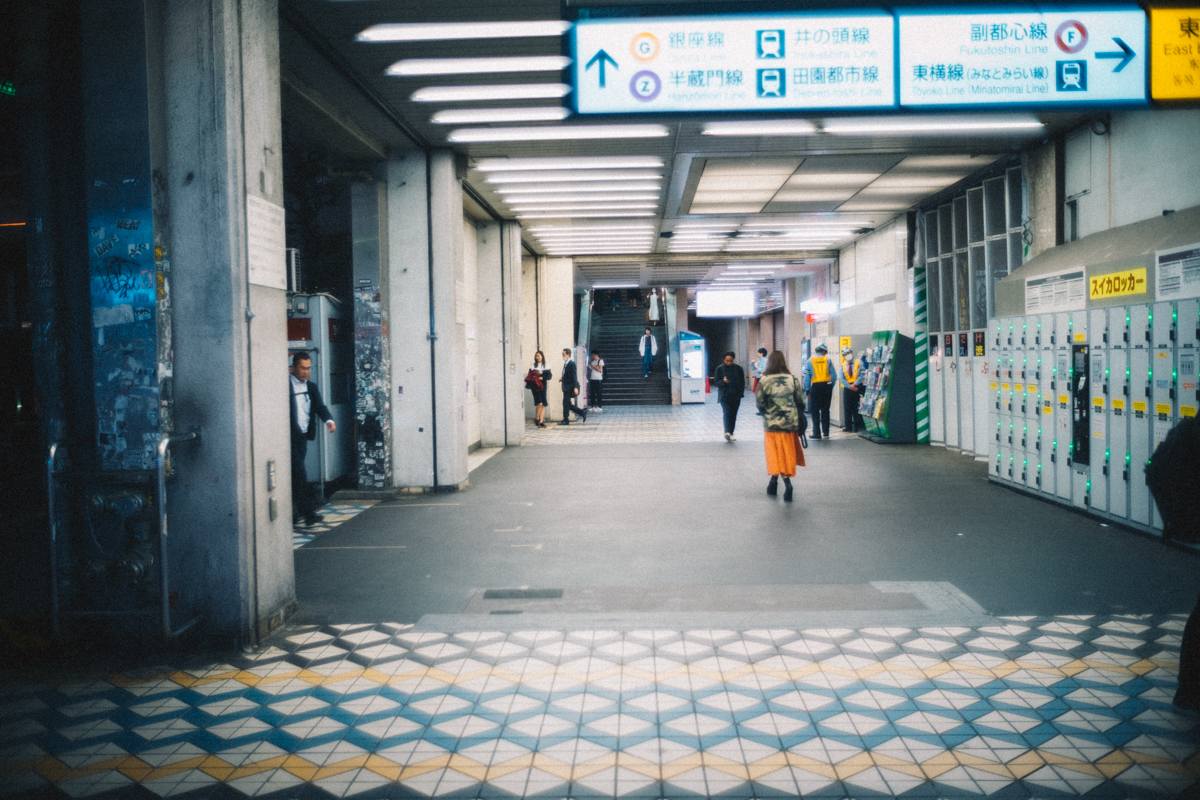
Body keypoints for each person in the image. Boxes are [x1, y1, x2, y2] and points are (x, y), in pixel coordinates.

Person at [289, 352, 335, 525]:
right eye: (302, 368)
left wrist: (329, 420)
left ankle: (293, 513)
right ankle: (308, 514)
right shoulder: (285, 386)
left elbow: (320, 407)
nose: (306, 372)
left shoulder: (311, 387)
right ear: (293, 367)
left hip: (302, 438)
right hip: (288, 438)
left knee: (295, 476)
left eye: (308, 368)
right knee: (300, 474)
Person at [755, 351, 806, 502]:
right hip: (790, 424)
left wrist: (766, 412)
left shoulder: (764, 381)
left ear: (769, 362)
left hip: (772, 425)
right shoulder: (792, 379)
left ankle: (787, 484)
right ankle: (773, 482)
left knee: (775, 455)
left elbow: (760, 403)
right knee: (786, 454)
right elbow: (800, 401)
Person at [802, 343, 836, 439]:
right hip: (827, 387)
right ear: (824, 351)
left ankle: (816, 433)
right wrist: (830, 386)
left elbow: (807, 377)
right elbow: (834, 376)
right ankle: (826, 432)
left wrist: (808, 390)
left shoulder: (810, 361)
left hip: (815, 387)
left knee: (815, 410)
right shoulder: (828, 360)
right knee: (826, 410)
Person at [713, 351, 746, 442]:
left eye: (731, 361)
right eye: (727, 361)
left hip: (735, 395)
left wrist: (740, 393)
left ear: (733, 360)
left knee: (733, 414)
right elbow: (716, 382)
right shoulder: (720, 369)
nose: (729, 362)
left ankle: (731, 433)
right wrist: (723, 382)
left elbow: (742, 383)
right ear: (724, 360)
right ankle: (727, 432)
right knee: (727, 412)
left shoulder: (739, 369)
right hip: (725, 395)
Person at [838, 346, 865, 432]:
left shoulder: (859, 362)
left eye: (848, 353)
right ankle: (848, 426)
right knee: (847, 407)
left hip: (858, 387)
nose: (847, 355)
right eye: (845, 354)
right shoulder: (842, 365)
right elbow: (841, 378)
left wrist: (855, 384)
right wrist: (849, 386)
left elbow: (863, 374)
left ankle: (857, 426)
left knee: (857, 407)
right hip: (848, 388)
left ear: (851, 353)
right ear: (843, 356)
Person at [558, 347, 587, 425]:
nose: (563, 356)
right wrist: (562, 378)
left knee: (566, 403)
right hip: (565, 386)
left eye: (564, 355)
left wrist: (575, 387)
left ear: (568, 355)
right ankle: (581, 412)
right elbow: (567, 375)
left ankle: (566, 419)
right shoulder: (566, 363)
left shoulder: (571, 364)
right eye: (562, 354)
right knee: (567, 404)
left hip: (569, 387)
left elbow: (574, 376)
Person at [525, 350, 551, 428]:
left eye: (539, 355)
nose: (537, 357)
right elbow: (529, 376)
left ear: (542, 356)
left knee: (543, 404)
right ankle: (537, 418)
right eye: (536, 356)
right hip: (535, 386)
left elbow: (549, 376)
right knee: (539, 402)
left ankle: (541, 421)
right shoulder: (533, 366)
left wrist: (542, 377)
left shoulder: (546, 365)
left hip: (543, 385)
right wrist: (536, 376)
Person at [751, 347, 769, 414]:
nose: (757, 354)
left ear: (762, 354)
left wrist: (756, 367)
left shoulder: (765, 361)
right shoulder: (759, 361)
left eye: (758, 353)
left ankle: (763, 409)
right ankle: (761, 409)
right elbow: (753, 368)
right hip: (758, 378)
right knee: (759, 394)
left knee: (762, 394)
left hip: (762, 378)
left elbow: (763, 370)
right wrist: (752, 364)